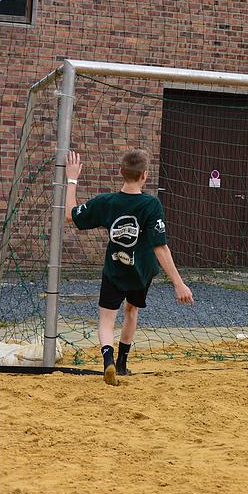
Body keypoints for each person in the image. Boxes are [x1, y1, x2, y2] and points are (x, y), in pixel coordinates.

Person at [64, 149, 194, 386]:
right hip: (140, 273)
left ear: (120, 172)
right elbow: (160, 248)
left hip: (114, 271)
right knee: (131, 311)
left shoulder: (106, 202)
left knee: (106, 321)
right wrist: (179, 283)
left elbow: (70, 215)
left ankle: (108, 362)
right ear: (145, 175)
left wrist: (72, 179)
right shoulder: (151, 204)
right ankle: (122, 364)